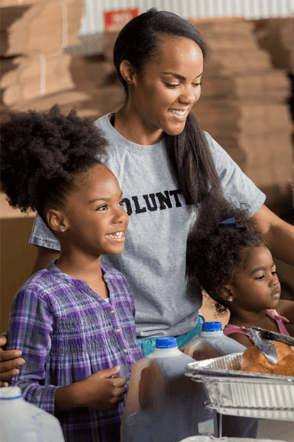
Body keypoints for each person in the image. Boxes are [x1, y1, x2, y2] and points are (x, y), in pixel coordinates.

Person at [1, 7, 294, 437]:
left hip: (191, 343)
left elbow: (268, 227)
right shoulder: (93, 161)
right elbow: (51, 273)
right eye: (173, 82)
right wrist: (20, 353)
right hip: (116, 359)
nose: (188, 96)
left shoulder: (198, 147)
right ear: (129, 72)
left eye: (195, 83)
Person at [0, 106, 144, 442]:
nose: (121, 215)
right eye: (102, 207)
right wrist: (76, 396)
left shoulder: (120, 284)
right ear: (58, 221)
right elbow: (16, 392)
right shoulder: (39, 296)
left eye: (120, 202)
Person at [186, 198, 294, 347]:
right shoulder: (238, 338)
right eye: (261, 276)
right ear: (227, 292)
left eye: (273, 272)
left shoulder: (275, 313)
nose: (274, 281)